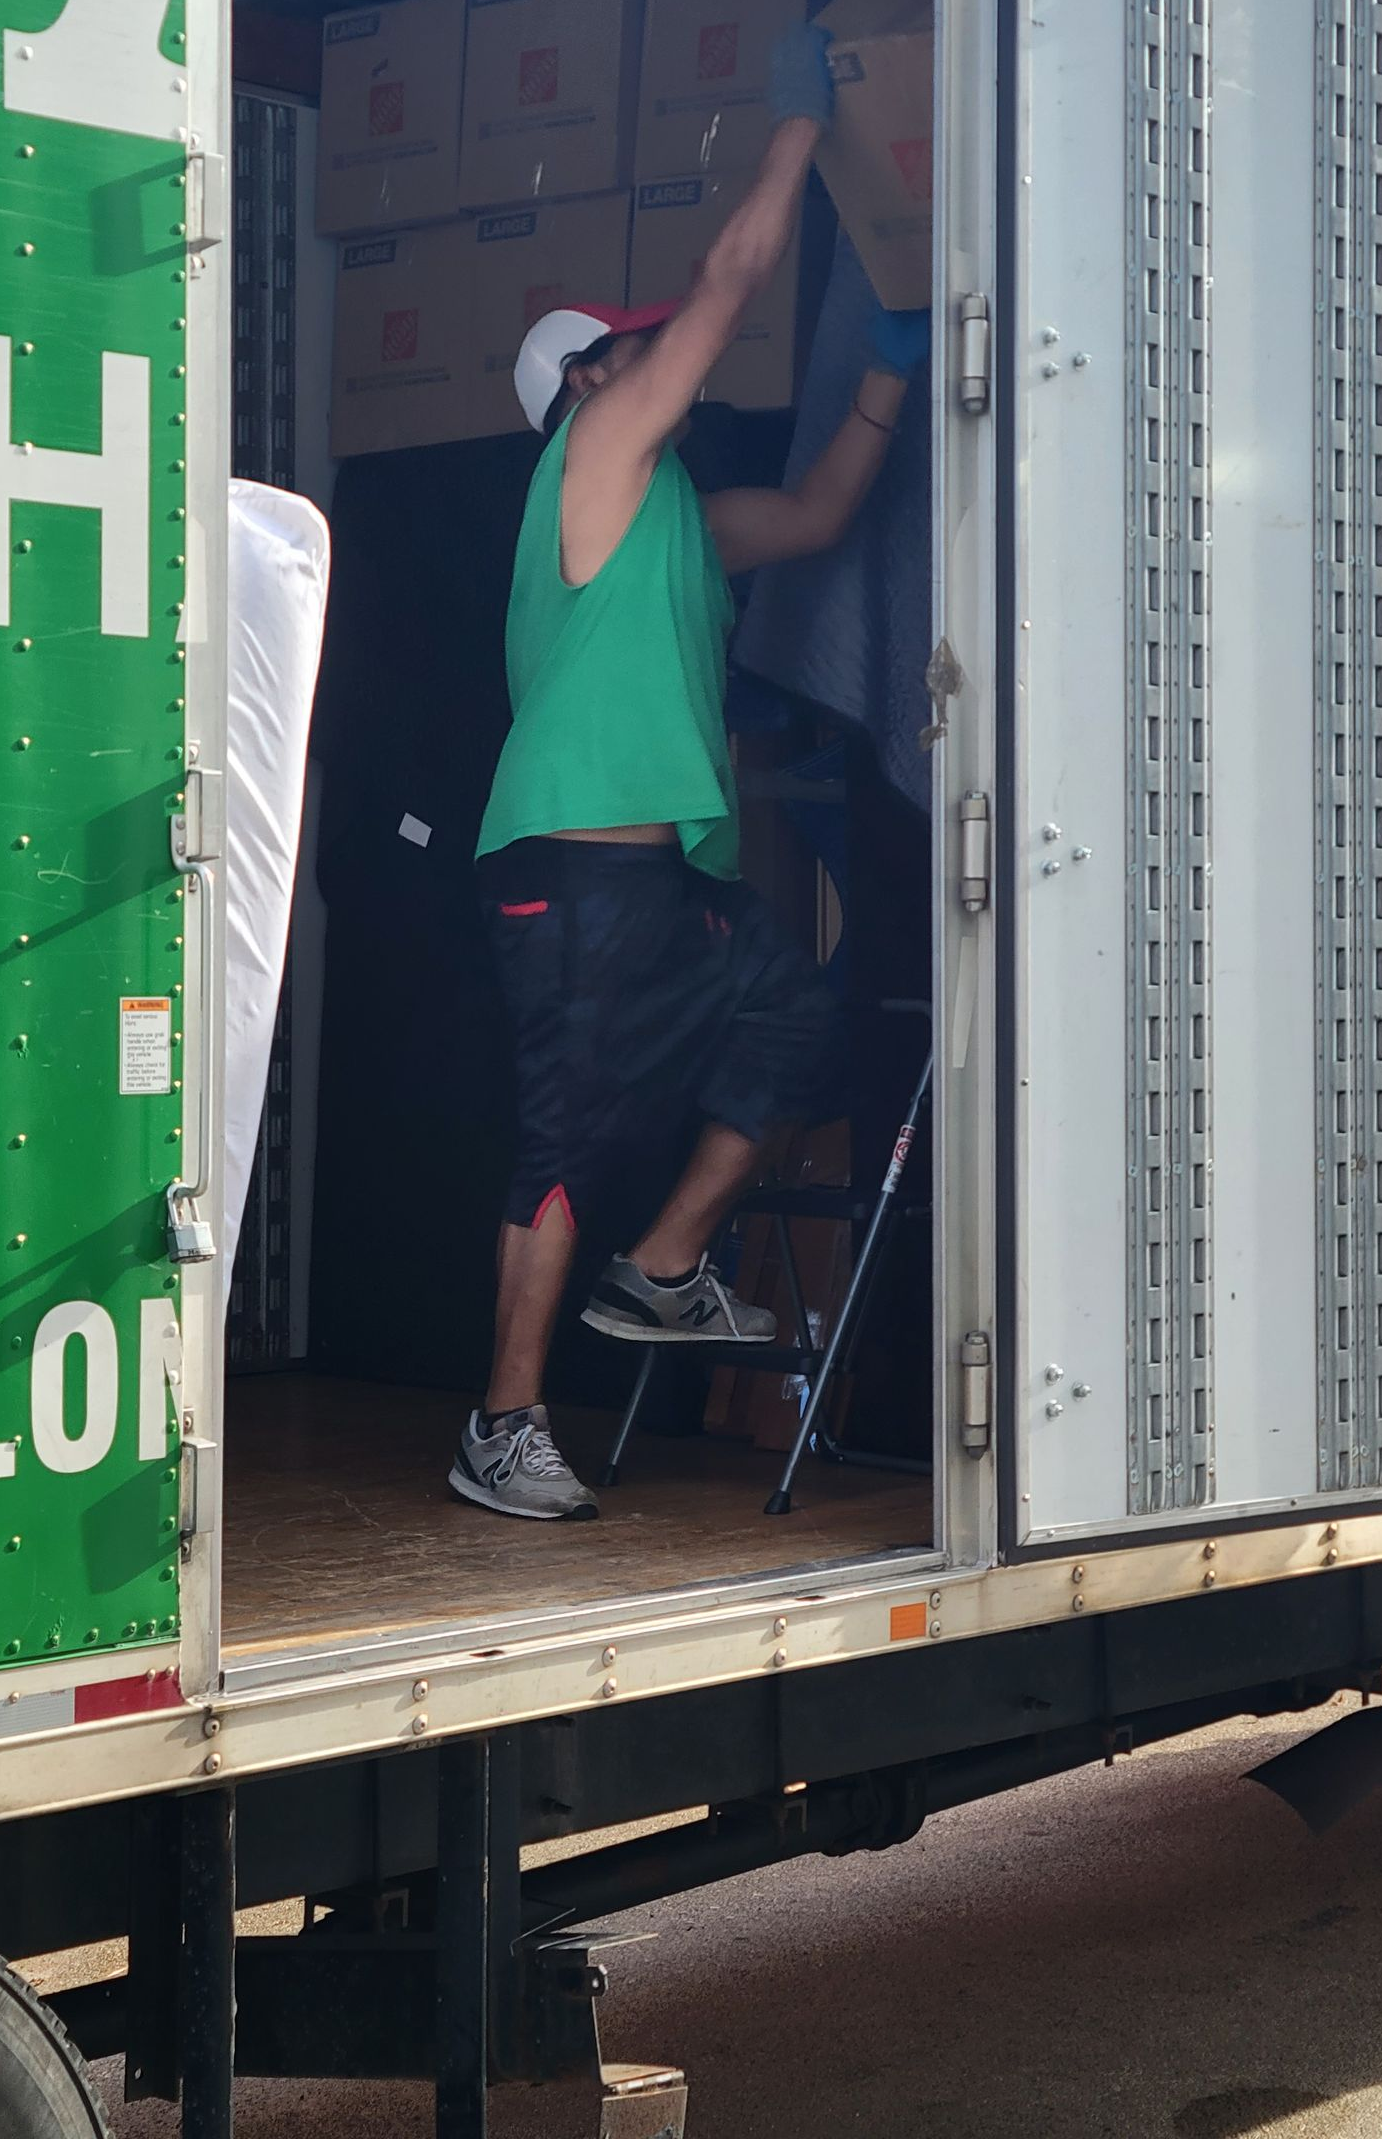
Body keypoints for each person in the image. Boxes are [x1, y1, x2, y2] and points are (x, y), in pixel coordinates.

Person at [449, 23, 931, 1521]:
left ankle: (663, 1270)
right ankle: (501, 1424)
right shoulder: (592, 458)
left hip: (668, 881)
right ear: (586, 380)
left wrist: (889, 368)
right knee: (565, 1138)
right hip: (571, 869)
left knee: (800, 1027)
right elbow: (726, 292)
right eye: (629, 348)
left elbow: (825, 510)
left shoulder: (682, 523)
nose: (660, 360)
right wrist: (799, 133)